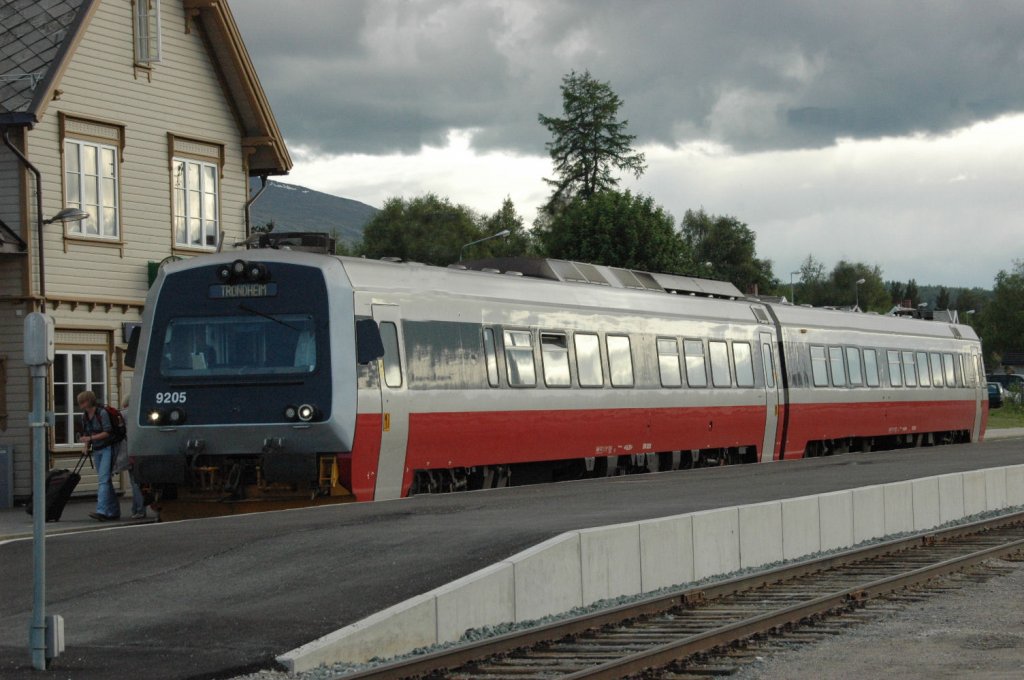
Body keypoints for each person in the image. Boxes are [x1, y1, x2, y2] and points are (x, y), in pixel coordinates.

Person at [78, 390, 120, 520]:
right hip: (97, 449)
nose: (80, 404)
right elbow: (86, 433)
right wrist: (86, 446)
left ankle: (101, 510)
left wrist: (90, 439)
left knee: (103, 480)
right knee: (105, 480)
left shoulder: (102, 413)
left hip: (108, 447)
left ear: (88, 401)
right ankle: (114, 511)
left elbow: (107, 432)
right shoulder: (85, 416)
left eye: (82, 402)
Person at [121, 396, 147, 519]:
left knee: (134, 482)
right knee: (139, 482)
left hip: (131, 452)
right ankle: (137, 508)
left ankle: (139, 509)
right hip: (143, 452)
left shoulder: (123, 415)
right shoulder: (140, 414)